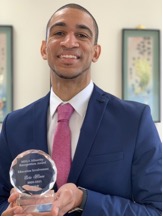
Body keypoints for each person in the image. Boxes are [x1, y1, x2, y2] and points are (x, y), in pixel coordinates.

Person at [0, 3, 162, 216]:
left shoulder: (134, 120)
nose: (69, 42)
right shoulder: (14, 124)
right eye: (59, 33)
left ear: (96, 52)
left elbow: (155, 210)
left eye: (82, 35)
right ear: (43, 49)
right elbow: (2, 200)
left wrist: (84, 200)